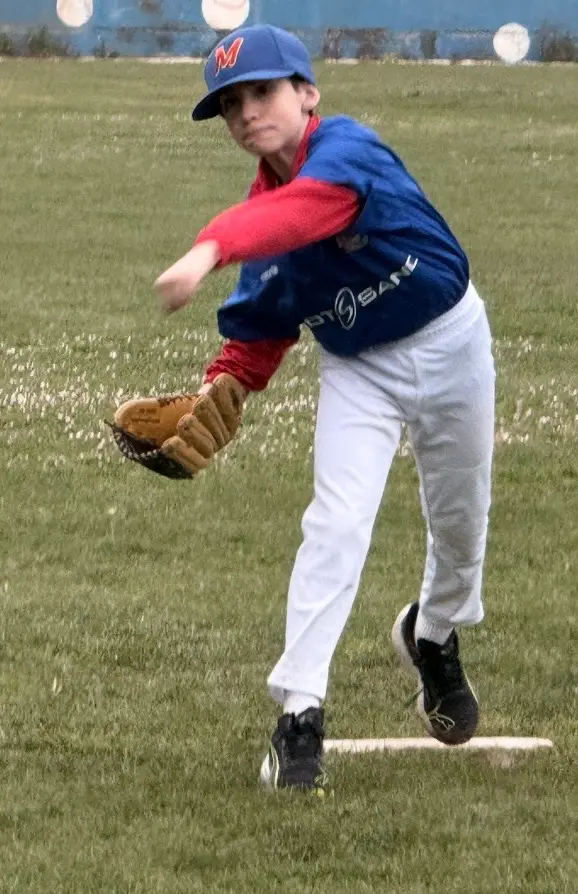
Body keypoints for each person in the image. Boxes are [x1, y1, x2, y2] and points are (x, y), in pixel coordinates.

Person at [154, 24, 496, 794]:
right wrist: (222, 387)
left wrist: (209, 247)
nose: (247, 113)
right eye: (231, 104)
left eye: (264, 92)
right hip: (359, 370)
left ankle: (432, 635)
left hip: (451, 342)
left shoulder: (347, 150)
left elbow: (305, 212)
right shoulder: (262, 222)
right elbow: (262, 321)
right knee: (335, 525)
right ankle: (298, 715)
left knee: (460, 524)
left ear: (307, 93)